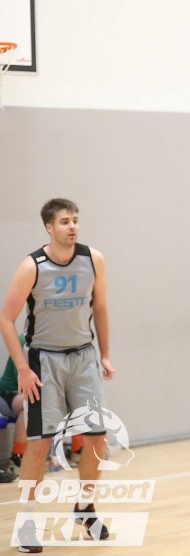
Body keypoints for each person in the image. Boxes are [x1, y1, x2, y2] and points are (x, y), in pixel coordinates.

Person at [0, 198, 117, 552]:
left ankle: (85, 509)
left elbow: (100, 307)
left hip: (82, 357)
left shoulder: (93, 259)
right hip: (43, 361)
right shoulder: (32, 266)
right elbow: (6, 319)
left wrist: (105, 354)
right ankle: (25, 524)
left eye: (75, 220)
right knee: (39, 443)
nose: (72, 226)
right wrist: (23, 368)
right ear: (49, 227)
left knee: (97, 439)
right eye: (65, 221)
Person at [0, 333, 27, 483]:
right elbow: (24, 382)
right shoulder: (24, 341)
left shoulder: (53, 345)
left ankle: (74, 450)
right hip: (8, 394)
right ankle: (17, 458)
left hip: (27, 394)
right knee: (31, 404)